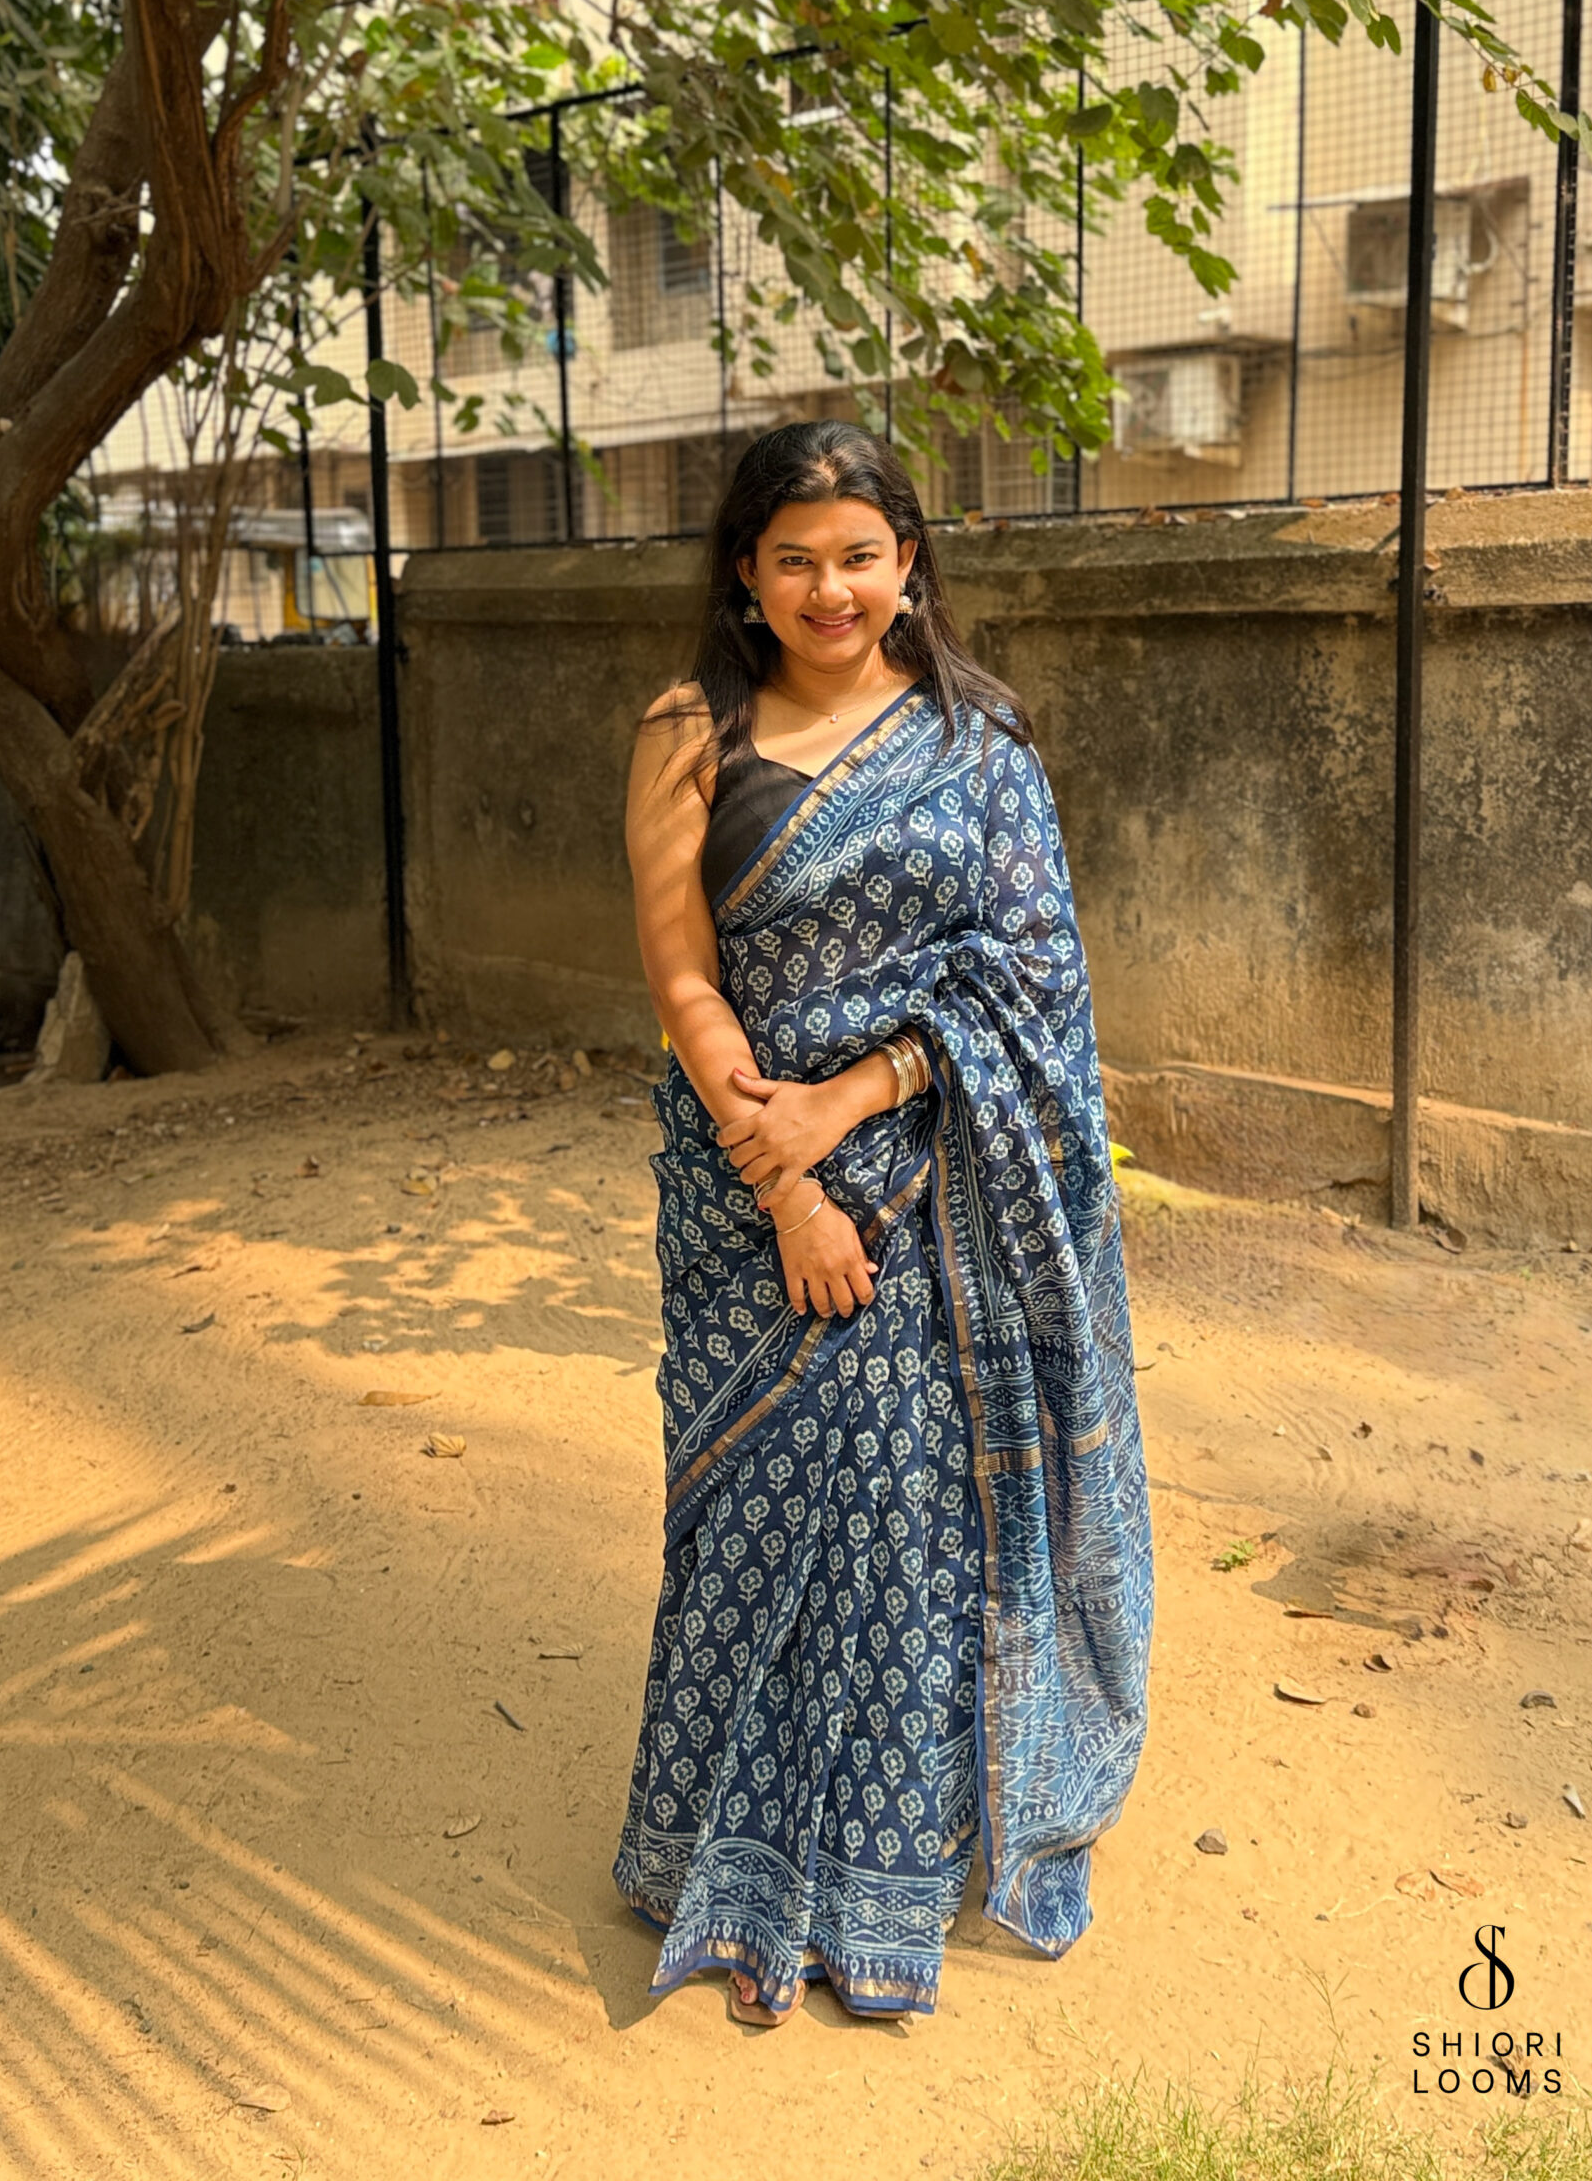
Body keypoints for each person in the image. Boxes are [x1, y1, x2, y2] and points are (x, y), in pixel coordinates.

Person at [615, 419, 1152, 2027]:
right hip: (736, 1174)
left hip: (936, 1178)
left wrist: (848, 1110)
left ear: (908, 562)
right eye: (795, 558)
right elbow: (681, 976)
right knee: (753, 1507)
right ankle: (723, 1859)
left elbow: (1033, 985)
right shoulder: (687, 728)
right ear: (744, 572)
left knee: (912, 1528)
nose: (831, 587)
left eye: (860, 554)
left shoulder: (980, 743)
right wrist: (780, 1175)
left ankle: (883, 1873)